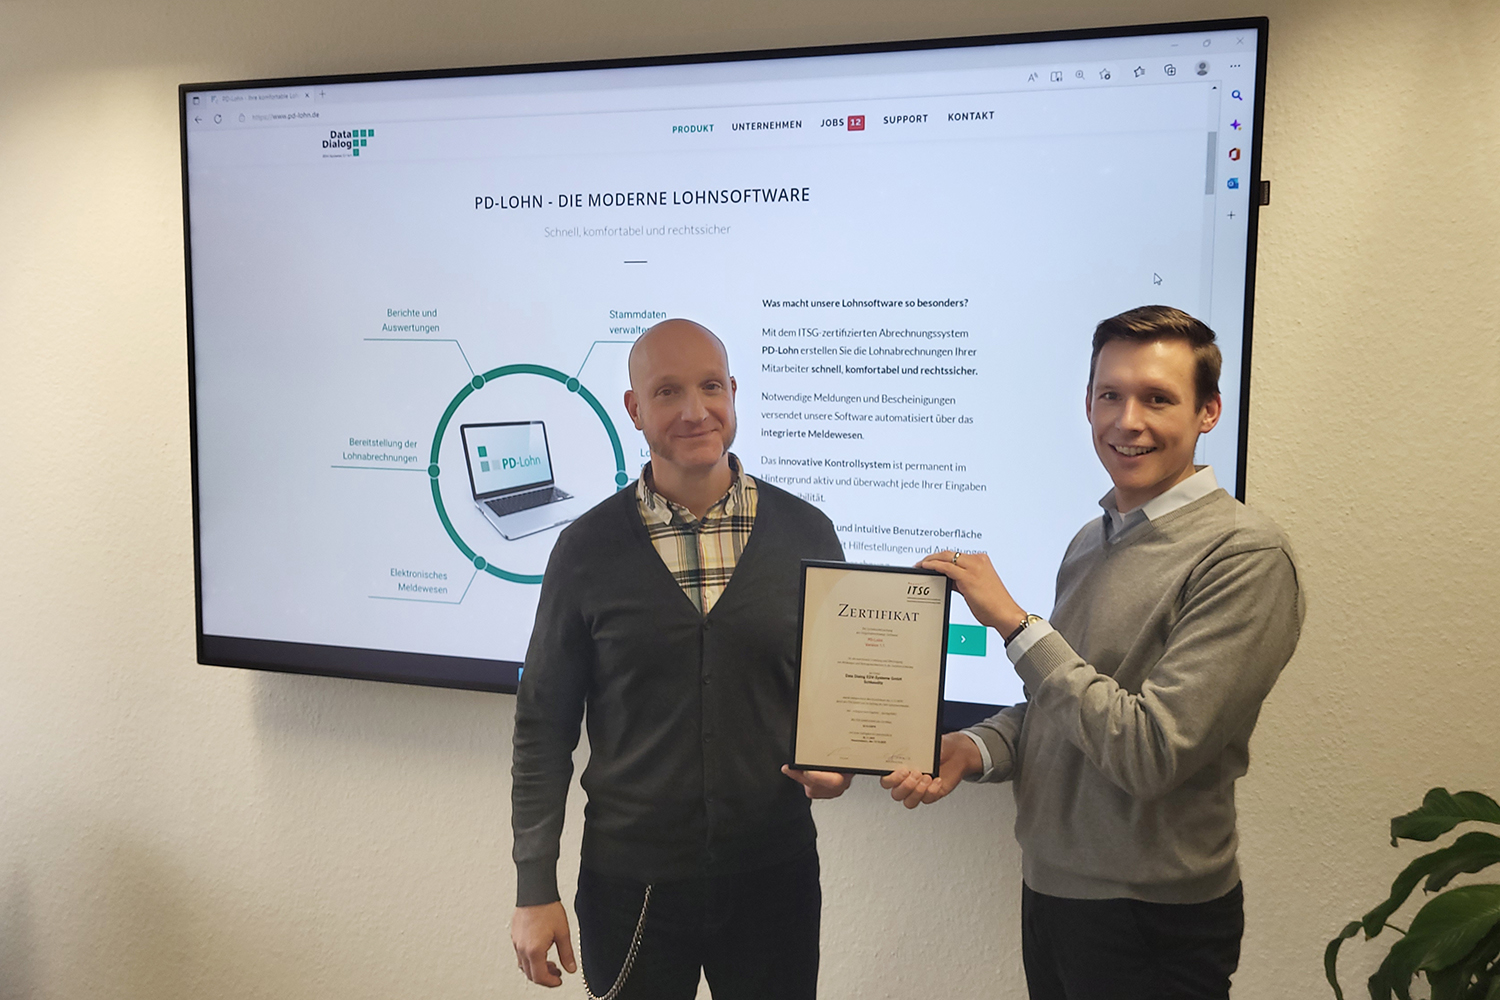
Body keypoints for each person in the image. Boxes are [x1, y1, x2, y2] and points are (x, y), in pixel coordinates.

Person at [883, 305, 1304, 1000]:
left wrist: (1014, 624)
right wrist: (972, 749)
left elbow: (1151, 751)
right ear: (1087, 405)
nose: (1127, 420)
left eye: (1157, 398)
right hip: (1053, 895)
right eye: (1111, 395)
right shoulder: (1091, 539)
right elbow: (1063, 705)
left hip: (1152, 918)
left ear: (1208, 411)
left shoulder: (1244, 556)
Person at [509, 318, 851, 999]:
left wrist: (840, 765)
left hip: (773, 877)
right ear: (634, 408)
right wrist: (533, 887)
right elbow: (543, 727)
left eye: (711, 387)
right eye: (668, 392)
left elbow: (837, 696)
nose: (696, 411)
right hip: (630, 884)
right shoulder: (585, 550)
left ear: (734, 392)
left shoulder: (807, 533)